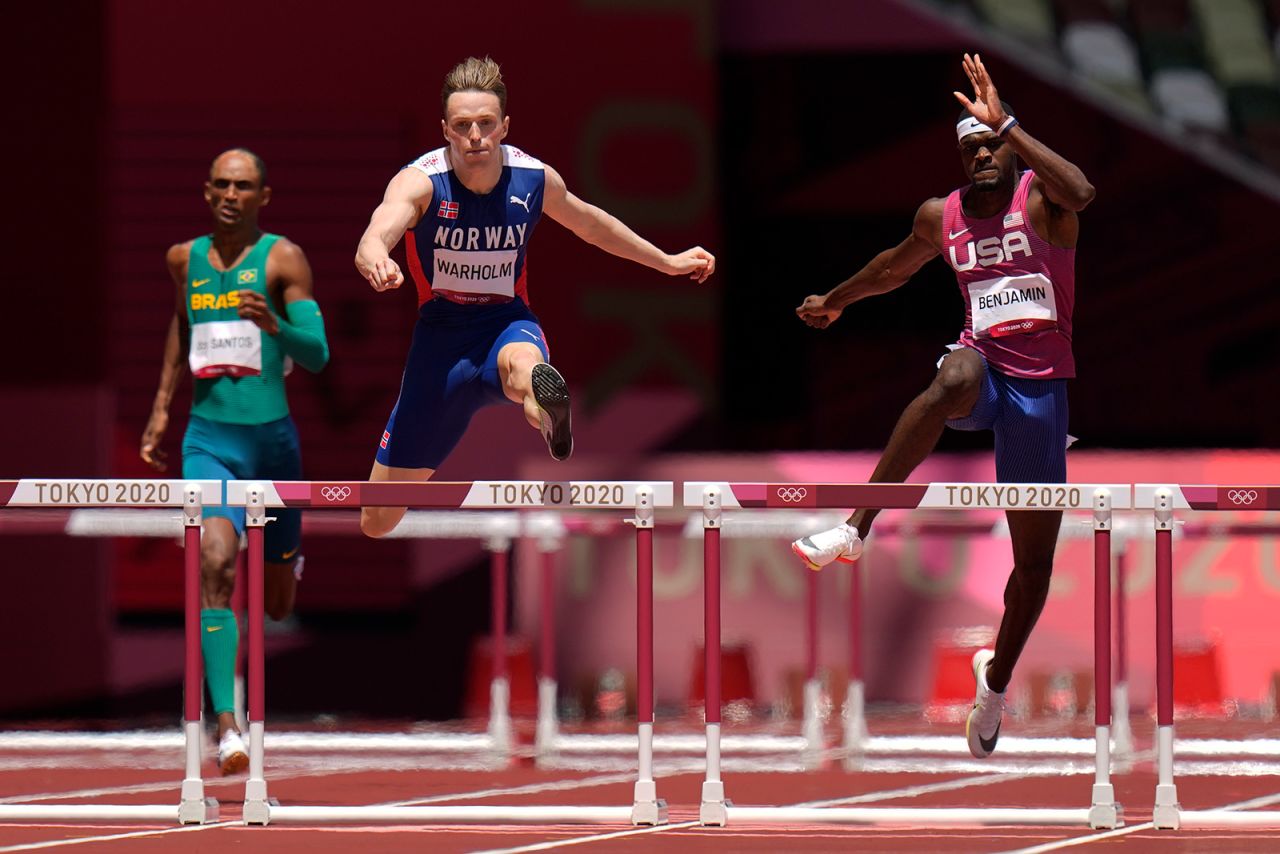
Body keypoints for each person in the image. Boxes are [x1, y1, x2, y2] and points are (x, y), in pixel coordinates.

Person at [791, 54, 1095, 759]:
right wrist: (835, 300)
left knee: (1034, 566)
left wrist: (1010, 125)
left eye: (991, 146)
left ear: (1008, 149)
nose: (982, 157)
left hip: (1039, 393)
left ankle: (994, 684)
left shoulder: (1042, 204)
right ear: (959, 159)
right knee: (953, 374)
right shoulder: (943, 217)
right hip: (984, 372)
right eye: (971, 149)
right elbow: (893, 265)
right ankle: (855, 527)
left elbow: (1081, 188)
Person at [354, 56, 715, 537]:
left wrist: (666, 261)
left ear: (505, 125)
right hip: (439, 349)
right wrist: (377, 256)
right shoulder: (420, 182)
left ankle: (547, 408)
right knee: (377, 521)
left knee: (524, 367)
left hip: (505, 323)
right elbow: (377, 232)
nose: (476, 136)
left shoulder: (533, 179)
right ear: (445, 130)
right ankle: (539, 403)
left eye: (486, 123)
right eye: (463, 126)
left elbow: (592, 225)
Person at [141, 149, 330, 774]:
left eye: (243, 186)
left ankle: (286, 559)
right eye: (220, 184)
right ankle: (228, 725)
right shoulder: (182, 259)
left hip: (272, 448)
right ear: (205, 191)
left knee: (276, 605)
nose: (230, 194)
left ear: (263, 197)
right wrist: (163, 407)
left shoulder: (282, 258)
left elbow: (319, 352)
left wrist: (274, 324)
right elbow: (180, 324)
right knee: (216, 564)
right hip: (209, 441)